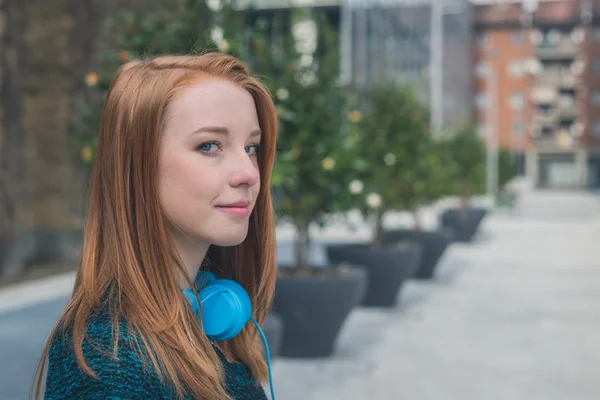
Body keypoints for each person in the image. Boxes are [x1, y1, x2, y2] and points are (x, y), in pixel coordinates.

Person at [32, 53, 279, 400]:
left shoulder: (211, 322)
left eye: (251, 147)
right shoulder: (109, 359)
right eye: (209, 146)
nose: (250, 174)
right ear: (139, 165)